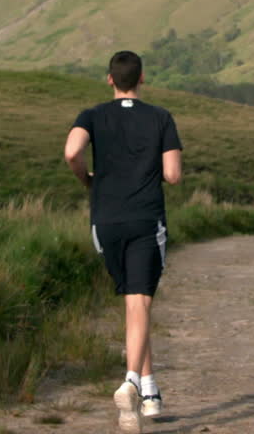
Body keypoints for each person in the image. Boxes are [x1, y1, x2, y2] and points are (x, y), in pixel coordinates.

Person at [64, 51, 182, 434]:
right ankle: (131, 381)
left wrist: (89, 181)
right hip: (146, 219)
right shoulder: (161, 117)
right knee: (140, 301)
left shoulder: (92, 115)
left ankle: (149, 393)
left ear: (110, 79)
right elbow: (173, 175)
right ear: (142, 78)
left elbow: (71, 152)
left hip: (105, 221)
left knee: (134, 304)